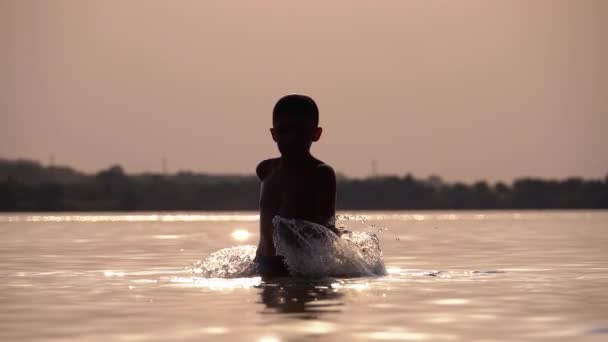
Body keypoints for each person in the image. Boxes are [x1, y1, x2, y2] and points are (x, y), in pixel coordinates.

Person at [253, 94, 338, 277]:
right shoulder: (266, 170)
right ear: (274, 134)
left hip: (301, 271)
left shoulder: (321, 173)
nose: (292, 138)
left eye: (301, 132)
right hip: (264, 266)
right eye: (284, 131)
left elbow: (327, 228)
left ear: (316, 134)